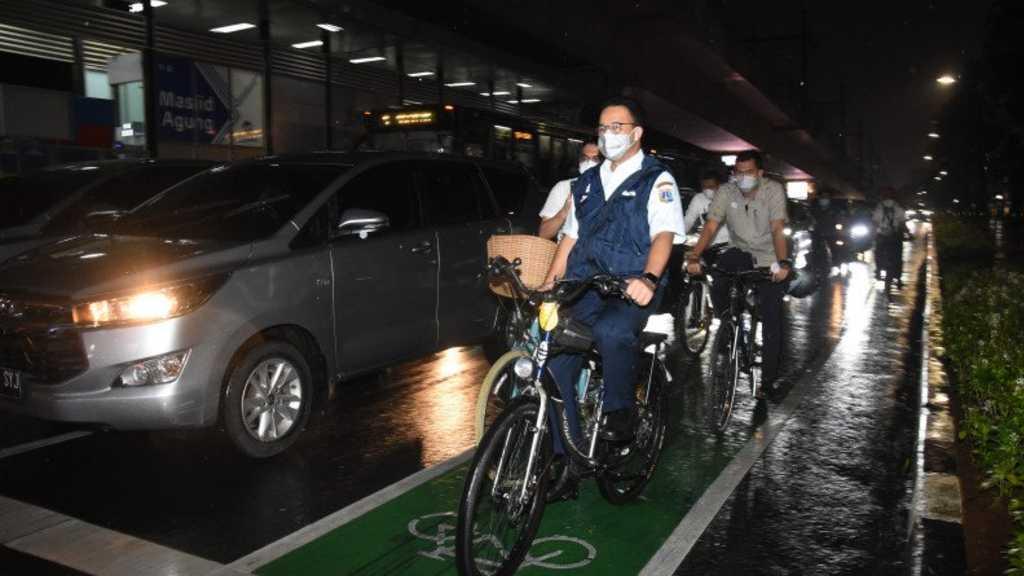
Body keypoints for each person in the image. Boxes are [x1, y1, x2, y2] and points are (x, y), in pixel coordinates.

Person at [542, 97, 684, 453]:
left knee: (612, 330)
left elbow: (664, 234)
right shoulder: (586, 182)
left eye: (616, 127)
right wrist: (551, 280)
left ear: (636, 133)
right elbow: (571, 236)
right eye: (603, 128)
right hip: (585, 282)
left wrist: (649, 279)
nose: (608, 135)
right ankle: (566, 455)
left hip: (631, 284)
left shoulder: (657, 178)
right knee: (555, 365)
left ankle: (620, 411)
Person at [685, 149, 791, 392]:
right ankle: (728, 325)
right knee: (719, 280)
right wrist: (694, 255)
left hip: (770, 254)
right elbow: (710, 227)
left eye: (749, 172)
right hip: (740, 250)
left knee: (771, 315)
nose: (743, 177)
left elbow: (777, 229)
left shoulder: (773, 191)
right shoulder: (726, 191)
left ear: (760, 173)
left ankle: (767, 379)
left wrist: (783, 263)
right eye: (738, 172)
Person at [538, 141, 602, 240]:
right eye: (584, 158)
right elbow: (544, 234)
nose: (589, 162)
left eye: (595, 159)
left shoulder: (612, 189)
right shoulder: (564, 187)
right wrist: (564, 211)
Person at [872, 186, 908, 287]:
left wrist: (874, 232)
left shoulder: (879, 206)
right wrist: (908, 234)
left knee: (878, 253)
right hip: (894, 236)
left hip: (882, 235)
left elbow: (875, 221)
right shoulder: (898, 206)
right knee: (898, 257)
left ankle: (878, 271)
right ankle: (898, 278)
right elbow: (902, 223)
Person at [683, 170, 731, 244]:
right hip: (708, 242)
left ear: (720, 185)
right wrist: (680, 234)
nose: (707, 190)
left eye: (711, 187)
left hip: (728, 242)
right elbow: (689, 219)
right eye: (704, 187)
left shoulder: (729, 198)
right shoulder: (699, 198)